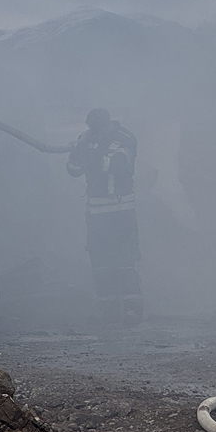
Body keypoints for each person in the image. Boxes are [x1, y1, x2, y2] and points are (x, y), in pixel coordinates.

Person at [67, 108, 143, 325]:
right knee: (100, 261)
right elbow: (72, 169)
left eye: (98, 129)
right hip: (96, 212)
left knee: (125, 259)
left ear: (108, 124)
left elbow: (118, 165)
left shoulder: (125, 138)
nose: (96, 132)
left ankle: (132, 308)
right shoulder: (88, 139)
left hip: (121, 210)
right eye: (93, 129)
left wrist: (89, 152)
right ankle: (108, 309)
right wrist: (79, 149)